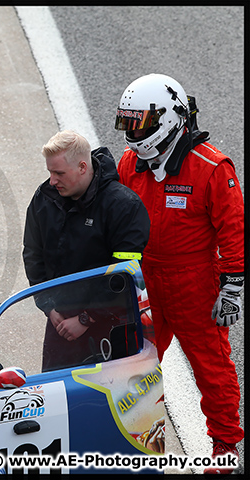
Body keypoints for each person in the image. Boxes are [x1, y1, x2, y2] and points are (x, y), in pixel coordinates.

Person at [114, 73, 244, 474]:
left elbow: (234, 228)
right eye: (127, 123)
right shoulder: (129, 162)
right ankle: (137, 446)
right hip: (144, 280)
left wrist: (233, 287)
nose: (133, 133)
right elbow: (114, 219)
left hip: (195, 285)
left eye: (140, 123)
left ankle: (224, 449)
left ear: (168, 119)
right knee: (131, 365)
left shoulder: (211, 167)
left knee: (211, 368)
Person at [22, 130, 150, 371]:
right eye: (50, 172)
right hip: (59, 322)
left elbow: (125, 273)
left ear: (82, 167)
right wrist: (49, 307)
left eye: (59, 173)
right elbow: (32, 254)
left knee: (115, 405)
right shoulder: (44, 198)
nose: (52, 181)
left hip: (112, 325)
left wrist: (86, 318)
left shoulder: (124, 206)